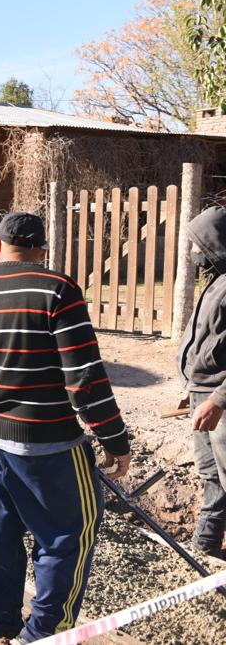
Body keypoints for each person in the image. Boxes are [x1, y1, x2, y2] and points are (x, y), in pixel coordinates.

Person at [0, 212, 131, 644]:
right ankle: (44, 634)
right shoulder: (58, 288)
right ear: (42, 252)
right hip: (48, 442)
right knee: (67, 536)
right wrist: (114, 439)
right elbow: (84, 379)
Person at [177, 205, 226, 560]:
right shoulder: (217, 282)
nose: (193, 253)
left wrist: (218, 399)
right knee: (211, 476)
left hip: (219, 402)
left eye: (198, 245)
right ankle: (205, 550)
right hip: (202, 394)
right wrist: (192, 388)